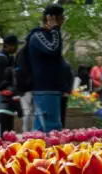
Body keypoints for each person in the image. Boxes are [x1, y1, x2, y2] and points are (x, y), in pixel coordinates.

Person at [27, 4, 67, 132]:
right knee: (49, 128)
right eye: (61, 18)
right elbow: (54, 49)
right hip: (44, 88)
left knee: (50, 127)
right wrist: (55, 29)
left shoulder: (50, 34)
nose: (63, 21)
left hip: (52, 88)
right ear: (51, 18)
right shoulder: (38, 35)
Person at [0, 35, 20, 138]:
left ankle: (3, 141)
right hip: (0, 92)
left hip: (4, 92)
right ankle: (0, 144)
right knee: (3, 119)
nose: (16, 47)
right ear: (7, 45)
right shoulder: (1, 59)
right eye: (15, 45)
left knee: (5, 120)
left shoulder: (7, 57)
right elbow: (1, 78)